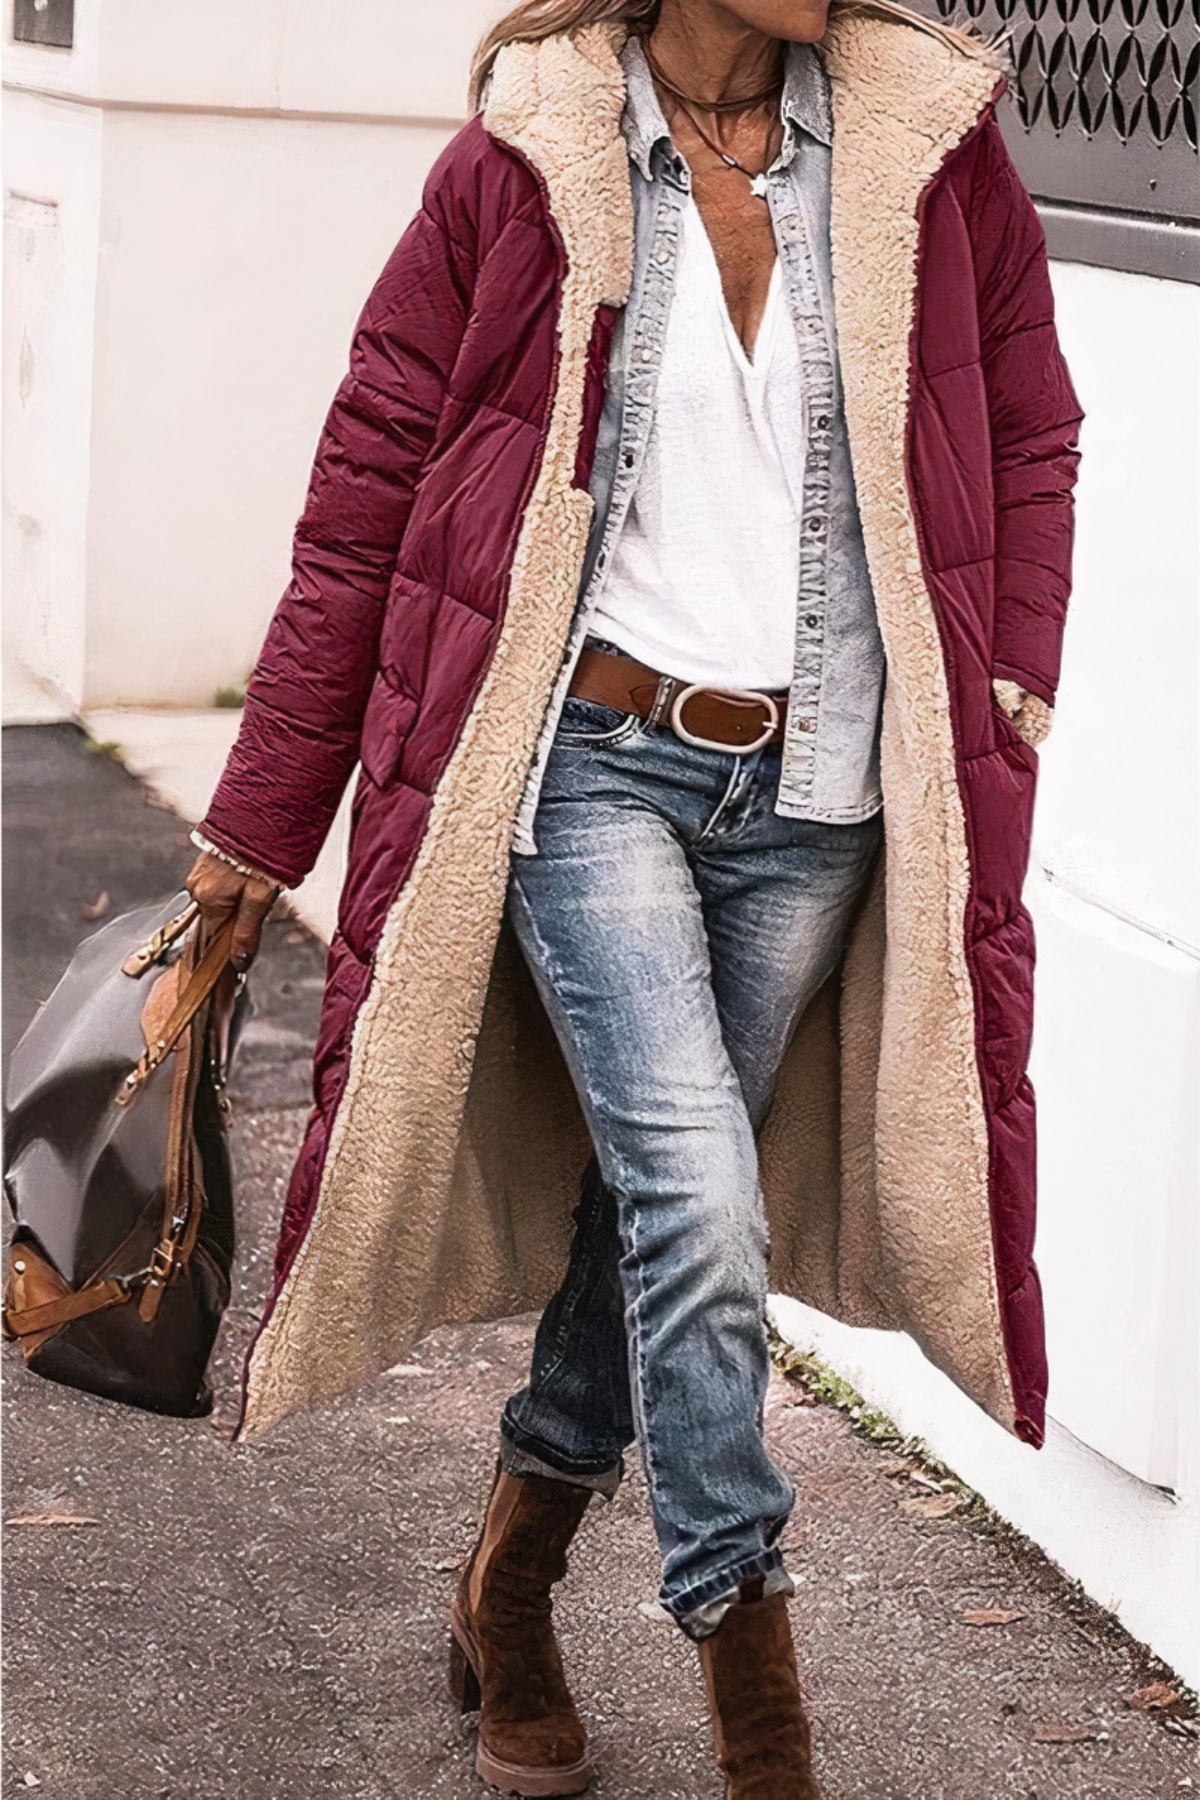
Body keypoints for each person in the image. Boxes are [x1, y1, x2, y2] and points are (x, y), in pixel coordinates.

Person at [186, 0, 1082, 1790]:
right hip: (592, 768)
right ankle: (762, 1705)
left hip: (816, 784)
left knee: (665, 1211)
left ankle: (510, 1578)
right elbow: (366, 494)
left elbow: (1035, 429)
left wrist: (1006, 681)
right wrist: (254, 829)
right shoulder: (527, 162)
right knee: (697, 1196)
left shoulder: (930, 147)